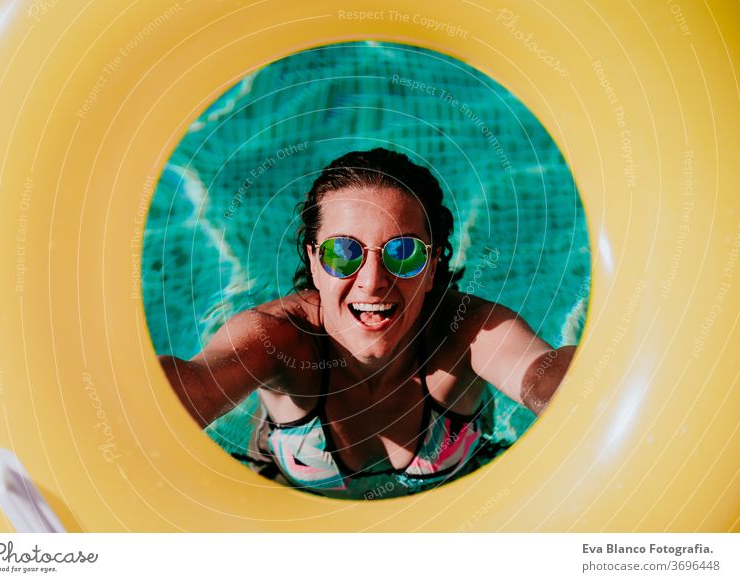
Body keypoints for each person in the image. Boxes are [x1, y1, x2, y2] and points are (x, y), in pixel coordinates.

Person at [159, 148, 576, 499]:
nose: (373, 282)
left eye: (404, 252)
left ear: (432, 268)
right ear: (314, 263)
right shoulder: (280, 338)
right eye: (343, 252)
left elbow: (544, 375)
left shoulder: (467, 332)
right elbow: (193, 383)